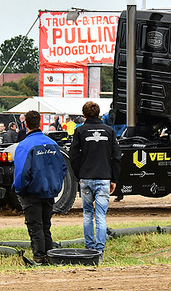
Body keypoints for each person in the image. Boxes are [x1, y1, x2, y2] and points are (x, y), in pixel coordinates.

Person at [12, 110, 67, 265]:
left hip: (32, 193)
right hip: (49, 192)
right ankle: (49, 256)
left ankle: (39, 258)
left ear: (25, 124)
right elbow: (63, 168)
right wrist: (54, 185)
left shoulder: (24, 145)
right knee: (46, 226)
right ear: (40, 123)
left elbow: (22, 173)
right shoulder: (53, 144)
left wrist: (18, 189)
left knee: (35, 226)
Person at [70, 101, 121, 262]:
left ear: (84, 115)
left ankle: (89, 248)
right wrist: (114, 179)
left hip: (86, 178)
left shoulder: (80, 131)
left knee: (87, 214)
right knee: (100, 215)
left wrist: (79, 176)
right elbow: (117, 157)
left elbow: (74, 156)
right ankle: (99, 252)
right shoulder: (109, 131)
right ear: (99, 114)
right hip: (104, 178)